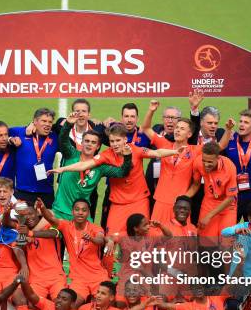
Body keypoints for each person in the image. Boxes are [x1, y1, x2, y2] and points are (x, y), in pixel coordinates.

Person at [50, 124, 181, 236]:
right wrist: (63, 169)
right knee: (111, 237)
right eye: (112, 141)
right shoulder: (106, 155)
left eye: (118, 140)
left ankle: (140, 265)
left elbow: (157, 153)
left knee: (142, 235)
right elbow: (84, 165)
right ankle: (109, 267)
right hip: (118, 203)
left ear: (125, 139)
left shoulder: (136, 150)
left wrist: (175, 152)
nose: (115, 144)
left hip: (139, 201)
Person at [52, 112, 132, 221]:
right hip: (60, 212)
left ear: (98, 146)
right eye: (87, 141)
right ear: (82, 143)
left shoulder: (100, 166)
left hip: (82, 217)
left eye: (93, 142)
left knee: (96, 237)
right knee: (35, 234)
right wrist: (68, 125)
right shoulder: (71, 154)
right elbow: (63, 140)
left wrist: (127, 157)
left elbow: (122, 172)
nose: (89, 144)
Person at [35, 198, 112, 308]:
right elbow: (51, 218)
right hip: (78, 279)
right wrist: (42, 209)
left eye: (84, 210)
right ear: (72, 212)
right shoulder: (66, 226)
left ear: (88, 213)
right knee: (71, 306)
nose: (80, 212)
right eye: (77, 209)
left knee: (104, 306)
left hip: (97, 276)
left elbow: (100, 240)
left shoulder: (95, 228)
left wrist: (92, 239)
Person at [140, 100, 206, 224]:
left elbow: (219, 146)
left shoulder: (196, 150)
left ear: (189, 134)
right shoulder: (164, 144)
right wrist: (151, 110)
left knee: (179, 241)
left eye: (182, 129)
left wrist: (184, 198)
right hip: (160, 202)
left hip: (180, 205)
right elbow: (146, 128)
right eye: (177, 128)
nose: (177, 130)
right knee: (156, 239)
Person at [185, 142, 238, 248]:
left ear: (218, 158)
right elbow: (195, 185)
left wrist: (209, 216)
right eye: (204, 160)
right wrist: (182, 198)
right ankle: (207, 264)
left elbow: (230, 198)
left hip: (227, 207)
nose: (206, 164)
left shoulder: (229, 167)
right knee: (206, 243)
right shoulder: (198, 163)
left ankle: (224, 263)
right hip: (209, 203)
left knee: (226, 244)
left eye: (210, 162)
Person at [9, 108, 58, 207]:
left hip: (46, 192)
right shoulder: (21, 132)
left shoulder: (55, 136)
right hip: (23, 191)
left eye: (50, 122)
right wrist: (10, 139)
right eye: (44, 121)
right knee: (21, 221)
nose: (47, 124)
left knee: (46, 222)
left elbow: (65, 124)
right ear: (35, 121)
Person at [223, 109, 251, 221]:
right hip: (233, 195)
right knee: (231, 231)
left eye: (246, 122)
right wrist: (228, 131)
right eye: (241, 121)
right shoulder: (230, 139)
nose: (242, 125)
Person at [15, 206, 66, 300]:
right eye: (25, 216)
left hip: (56, 277)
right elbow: (18, 248)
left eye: (30, 213)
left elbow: (54, 233)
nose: (28, 217)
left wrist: (31, 233)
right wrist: (24, 265)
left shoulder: (48, 225)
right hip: (36, 280)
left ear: (38, 213)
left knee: (60, 303)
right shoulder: (22, 233)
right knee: (32, 304)